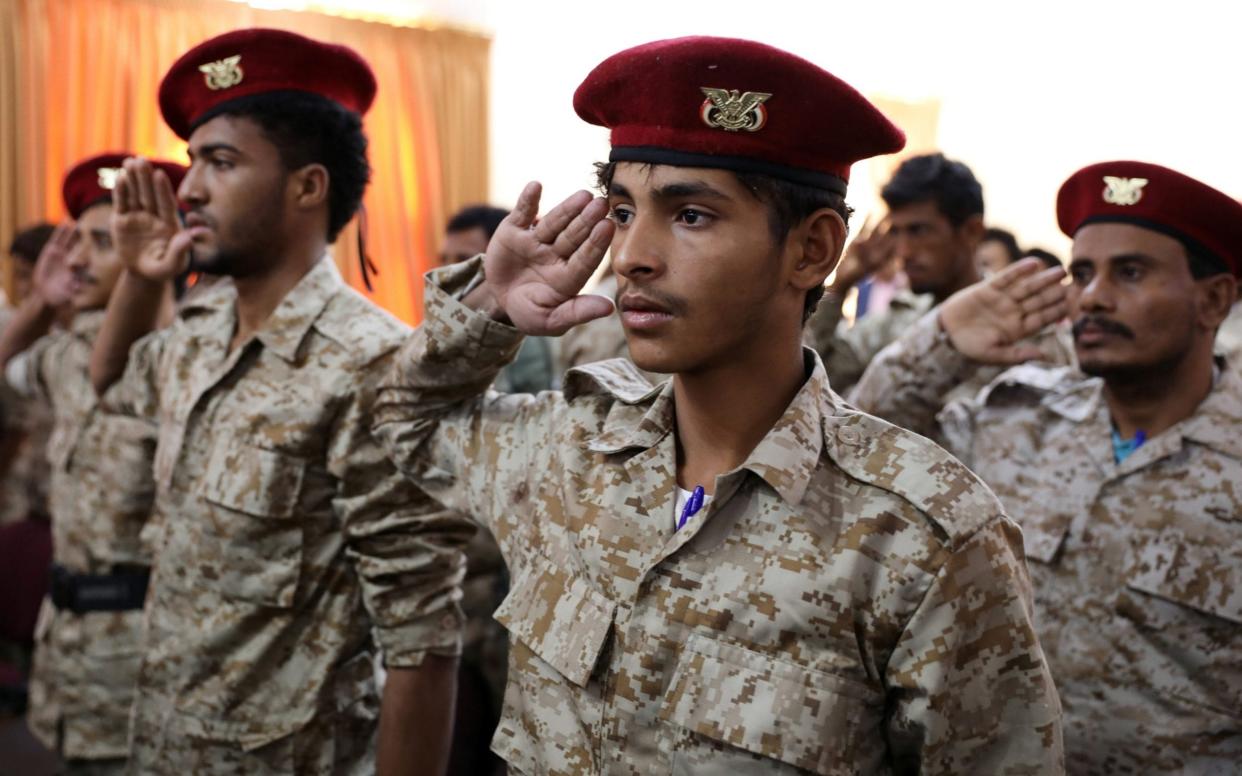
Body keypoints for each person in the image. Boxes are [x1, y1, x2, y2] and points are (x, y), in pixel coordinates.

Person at [375, 36, 1062, 774]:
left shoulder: (921, 534)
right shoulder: (569, 449)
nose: (633, 254)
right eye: (621, 210)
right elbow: (401, 426)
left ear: (812, 249)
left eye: (691, 215)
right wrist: (487, 311)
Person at [87, 28, 470, 775]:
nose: (188, 188)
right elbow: (114, 385)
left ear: (307, 186)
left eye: (221, 162)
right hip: (163, 744)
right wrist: (139, 276)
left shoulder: (376, 365)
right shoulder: (200, 329)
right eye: (192, 161)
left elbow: (421, 642)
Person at [851, 160, 1242, 772]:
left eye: (1130, 273)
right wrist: (942, 339)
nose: (1093, 297)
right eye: (1081, 273)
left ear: (1214, 298)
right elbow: (867, 447)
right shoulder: (1016, 418)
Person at [0, 153, 185, 774]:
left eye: (102, 244)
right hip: (70, 654)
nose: (78, 260)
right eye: (75, 241)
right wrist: (38, 306)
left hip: (152, 662)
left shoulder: (192, 362)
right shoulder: (70, 354)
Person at [805, 152, 988, 393]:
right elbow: (815, 379)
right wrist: (840, 286)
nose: (903, 251)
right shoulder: (900, 319)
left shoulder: (1020, 321)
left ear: (971, 232)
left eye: (918, 231)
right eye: (896, 232)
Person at [442, 204, 557, 394]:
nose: (447, 272)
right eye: (443, 260)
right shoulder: (447, 323)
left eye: (463, 260)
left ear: (504, 259)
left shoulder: (518, 330)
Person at [0, 224, 56, 527]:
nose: (22, 288)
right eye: (18, 275)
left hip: (52, 499)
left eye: (27, 274)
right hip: (19, 496)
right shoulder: (10, 327)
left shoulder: (69, 338)